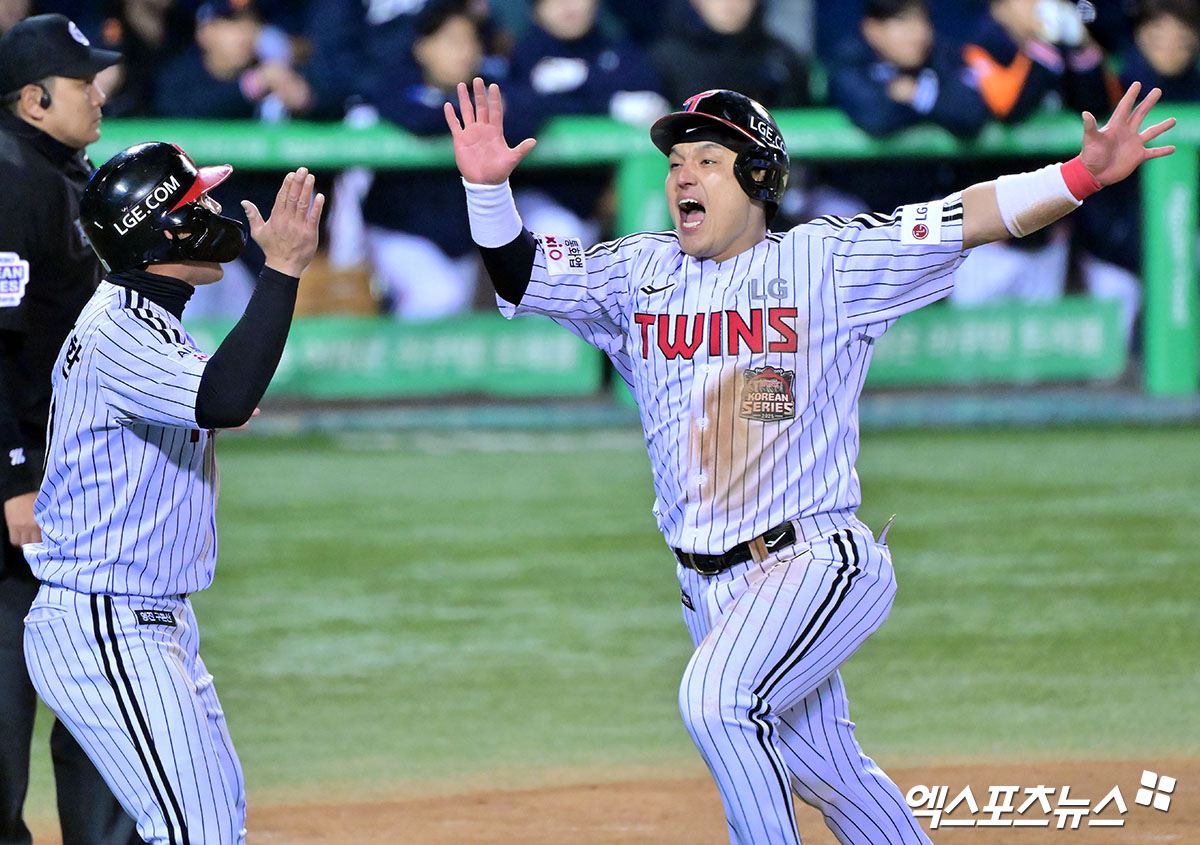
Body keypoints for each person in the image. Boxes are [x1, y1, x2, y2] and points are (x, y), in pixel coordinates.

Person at [444, 76, 1173, 844]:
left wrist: (1083, 174)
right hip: (706, 589)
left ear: (760, 180)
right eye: (674, 164)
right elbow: (523, 272)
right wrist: (488, 191)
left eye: (708, 161)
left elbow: (970, 216)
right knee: (827, 771)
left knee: (718, 703)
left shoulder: (830, 262)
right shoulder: (638, 274)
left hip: (816, 560)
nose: (682, 176)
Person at [21, 144, 323, 844]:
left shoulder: (147, 320)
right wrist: (281, 271)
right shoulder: (119, 329)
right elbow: (226, 396)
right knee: (198, 830)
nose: (217, 211)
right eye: (200, 205)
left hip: (145, 621)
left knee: (211, 824)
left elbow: (225, 397)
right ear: (164, 230)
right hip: (107, 621)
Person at [0, 14, 142, 845]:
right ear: (34, 97)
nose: (101, 94)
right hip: (29, 485)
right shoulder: (12, 180)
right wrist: (11, 476)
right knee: (6, 704)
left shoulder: (62, 169)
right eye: (86, 82)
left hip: (78, 481)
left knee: (100, 689)